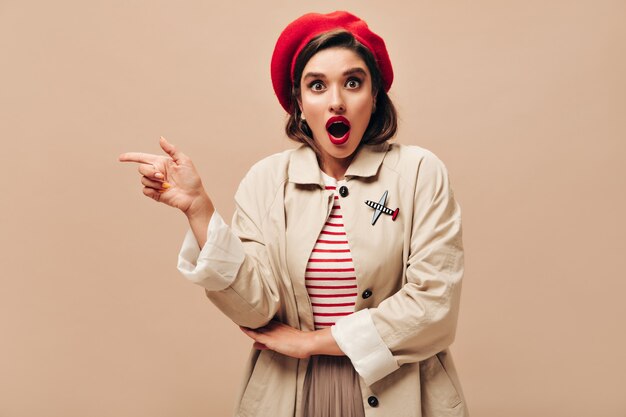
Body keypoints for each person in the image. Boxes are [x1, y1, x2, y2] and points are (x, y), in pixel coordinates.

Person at [119, 10, 468, 417]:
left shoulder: (420, 173)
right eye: (317, 85)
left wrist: (312, 342)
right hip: (291, 396)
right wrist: (200, 211)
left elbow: (434, 308)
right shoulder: (265, 181)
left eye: (353, 83)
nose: (336, 100)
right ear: (299, 103)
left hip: (401, 394)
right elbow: (256, 309)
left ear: (374, 97)